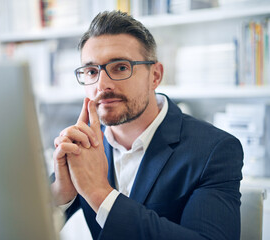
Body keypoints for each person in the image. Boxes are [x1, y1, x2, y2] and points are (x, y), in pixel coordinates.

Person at [51, 10, 243, 240]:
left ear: (155, 76)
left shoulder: (214, 150)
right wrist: (60, 194)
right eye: (91, 71)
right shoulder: (83, 145)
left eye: (120, 67)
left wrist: (100, 194)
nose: (102, 85)